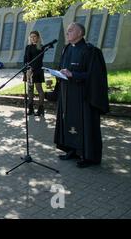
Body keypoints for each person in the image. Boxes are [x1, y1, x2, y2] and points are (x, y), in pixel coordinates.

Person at [53, 22, 109, 168]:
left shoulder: (91, 51)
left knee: (85, 125)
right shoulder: (66, 49)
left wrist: (73, 74)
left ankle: (89, 156)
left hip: (84, 96)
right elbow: (62, 68)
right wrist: (60, 74)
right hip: (67, 95)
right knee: (70, 123)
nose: (67, 33)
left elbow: (95, 76)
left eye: (70, 30)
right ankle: (73, 150)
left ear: (80, 33)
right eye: (67, 31)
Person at [24, 31, 46, 116]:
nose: (33, 38)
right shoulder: (28, 47)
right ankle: (31, 109)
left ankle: (40, 109)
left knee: (39, 89)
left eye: (34, 36)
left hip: (37, 70)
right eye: (31, 37)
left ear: (38, 37)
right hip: (28, 71)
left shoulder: (41, 47)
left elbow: (38, 61)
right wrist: (26, 69)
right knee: (30, 90)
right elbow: (25, 59)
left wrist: (32, 69)